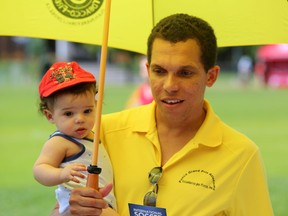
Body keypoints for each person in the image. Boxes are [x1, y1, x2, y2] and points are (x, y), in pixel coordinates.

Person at [53, 14, 274, 215]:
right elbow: (58, 210)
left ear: (211, 76)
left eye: (185, 73)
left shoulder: (241, 156)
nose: (170, 86)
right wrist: (70, 211)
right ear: (148, 70)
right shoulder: (101, 132)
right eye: (159, 71)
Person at [33, 61, 117, 215]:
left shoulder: (93, 135)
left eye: (87, 110)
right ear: (50, 116)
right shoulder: (60, 141)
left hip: (97, 201)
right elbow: (39, 169)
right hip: (79, 204)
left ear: (96, 105)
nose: (80, 119)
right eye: (69, 114)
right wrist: (61, 174)